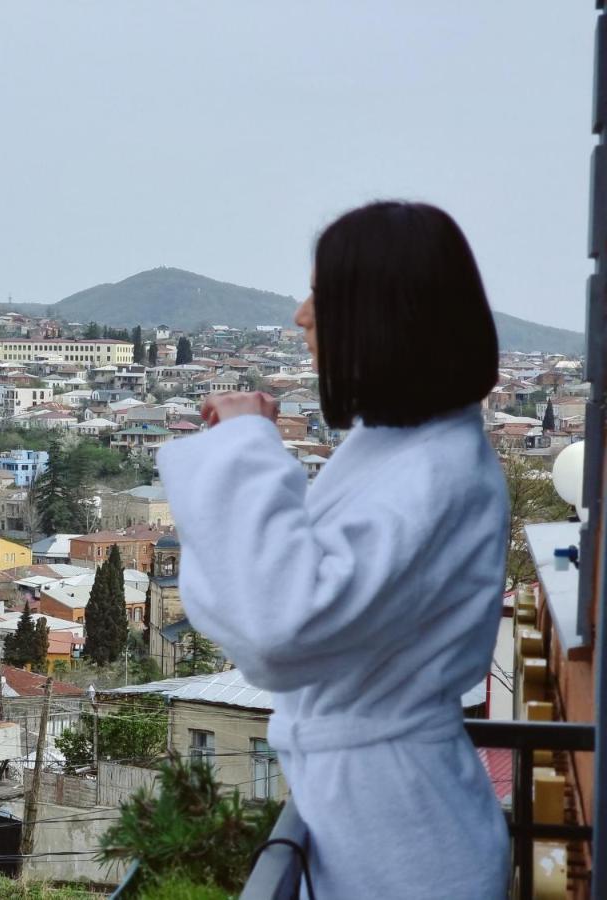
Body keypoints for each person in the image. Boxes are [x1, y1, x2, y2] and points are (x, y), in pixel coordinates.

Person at [156, 201, 509, 899]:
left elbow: (279, 624)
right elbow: (266, 608)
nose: (301, 315)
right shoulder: (404, 450)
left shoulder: (434, 473)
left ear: (382, 312)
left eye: (323, 294)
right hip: (380, 817)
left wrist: (245, 453)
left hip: (411, 850)